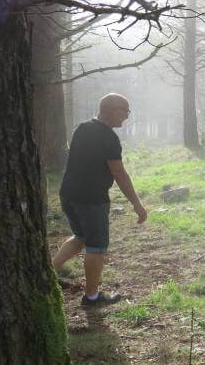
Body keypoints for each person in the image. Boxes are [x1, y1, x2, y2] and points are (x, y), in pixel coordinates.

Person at [52, 93, 148, 306]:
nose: (126, 117)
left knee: (80, 237)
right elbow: (119, 174)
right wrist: (137, 203)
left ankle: (47, 272)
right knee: (96, 246)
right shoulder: (108, 137)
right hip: (91, 199)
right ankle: (92, 296)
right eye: (125, 112)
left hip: (68, 193)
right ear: (113, 110)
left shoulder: (82, 128)